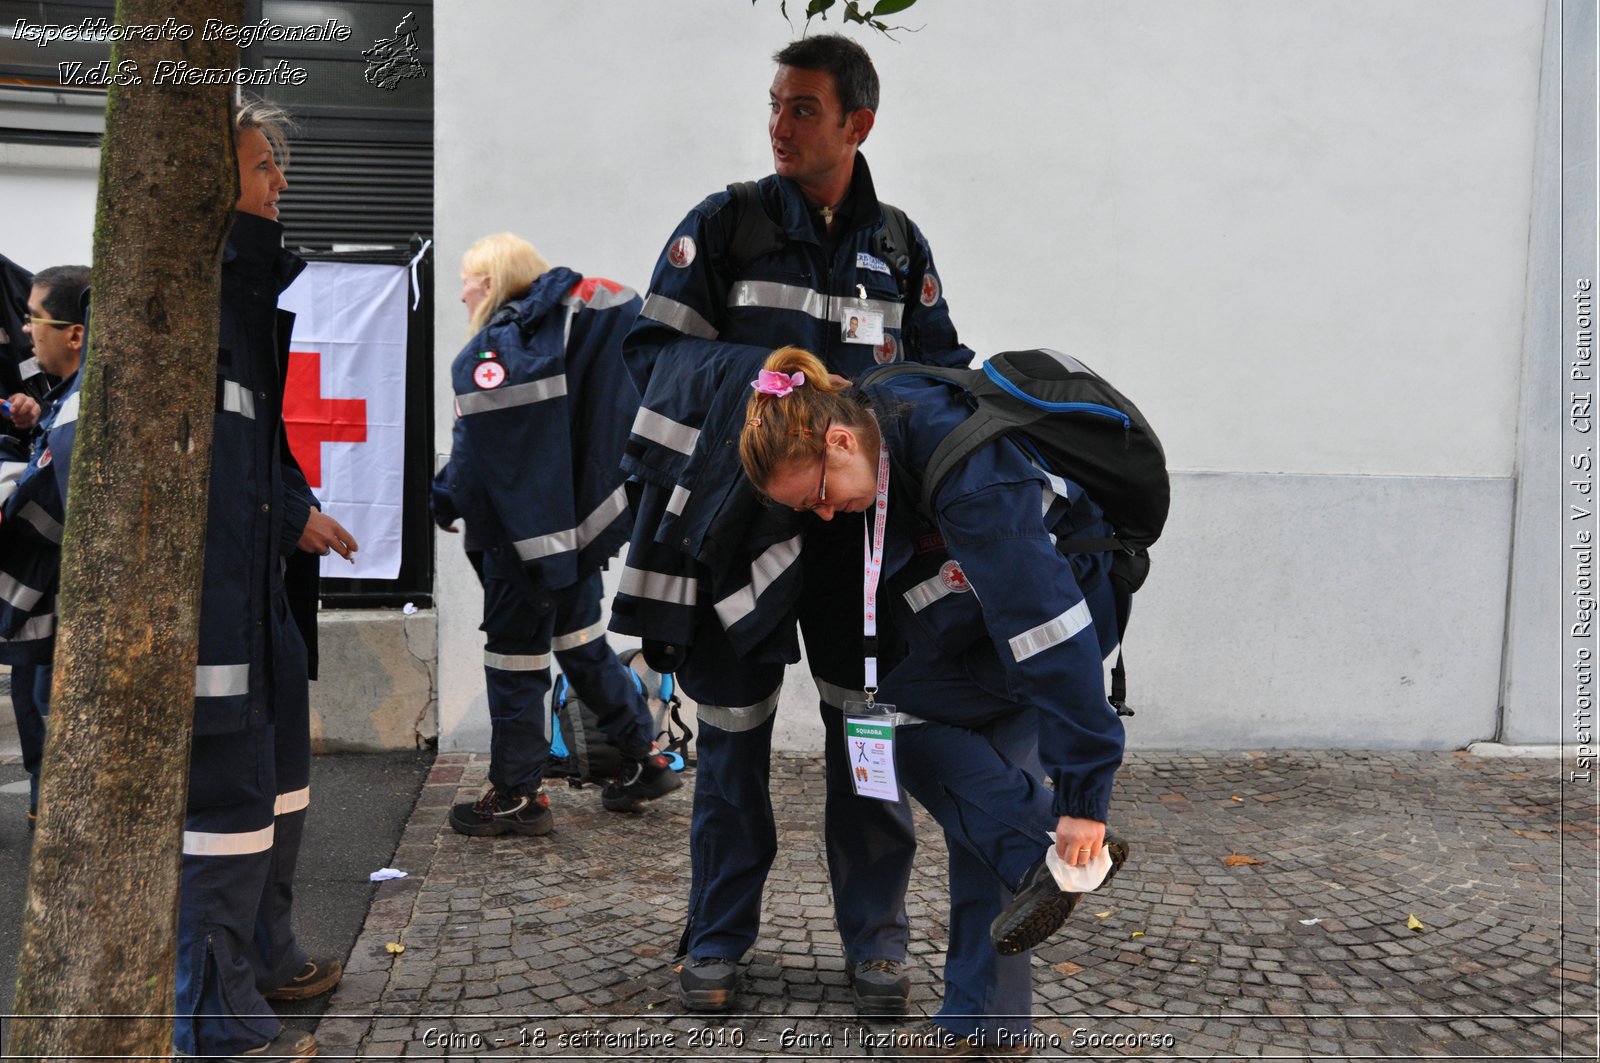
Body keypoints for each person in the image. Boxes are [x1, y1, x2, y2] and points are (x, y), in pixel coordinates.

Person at [611, 32, 973, 1016]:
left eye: (801, 108)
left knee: (868, 744)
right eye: (774, 103)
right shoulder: (722, 226)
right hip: (737, 541)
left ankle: (878, 945)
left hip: (861, 552)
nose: (778, 125)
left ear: (857, 122)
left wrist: (876, 415)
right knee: (730, 745)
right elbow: (653, 360)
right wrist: (773, 395)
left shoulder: (898, 247)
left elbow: (942, 383)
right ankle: (717, 938)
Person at [739, 346, 1132, 1057]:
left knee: (922, 747)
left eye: (820, 492)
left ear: (839, 439)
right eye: (808, 507)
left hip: (1049, 628)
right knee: (982, 800)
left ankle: (1046, 848)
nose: (825, 514)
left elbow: (1052, 635)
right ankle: (989, 1018)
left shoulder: (970, 479)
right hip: (974, 630)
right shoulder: (879, 418)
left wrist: (1084, 799)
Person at [171, 96, 358, 1061]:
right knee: (227, 811)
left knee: (280, 790)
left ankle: (267, 957)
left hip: (261, 609)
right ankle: (214, 1017)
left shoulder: (244, 307)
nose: (280, 183)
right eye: (261, 167)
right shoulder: (186, 310)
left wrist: (292, 517)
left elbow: (258, 456)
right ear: (211, 184)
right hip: (219, 625)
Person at [434, 232, 679, 837]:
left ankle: (517, 797)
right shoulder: (555, 340)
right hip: (571, 537)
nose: (462, 292)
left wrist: (443, 494)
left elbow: (484, 453)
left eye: (469, 279)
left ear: (491, 283)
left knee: (514, 662)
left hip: (520, 544)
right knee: (582, 647)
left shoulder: (500, 350)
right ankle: (644, 758)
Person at [0, 264, 90, 826]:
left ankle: (54, 812)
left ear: (75, 332)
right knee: (35, 697)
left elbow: (42, 509)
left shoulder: (77, 410)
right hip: (41, 606)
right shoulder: (67, 401)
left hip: (54, 603)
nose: (27, 333)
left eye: (35, 320)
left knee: (46, 703)